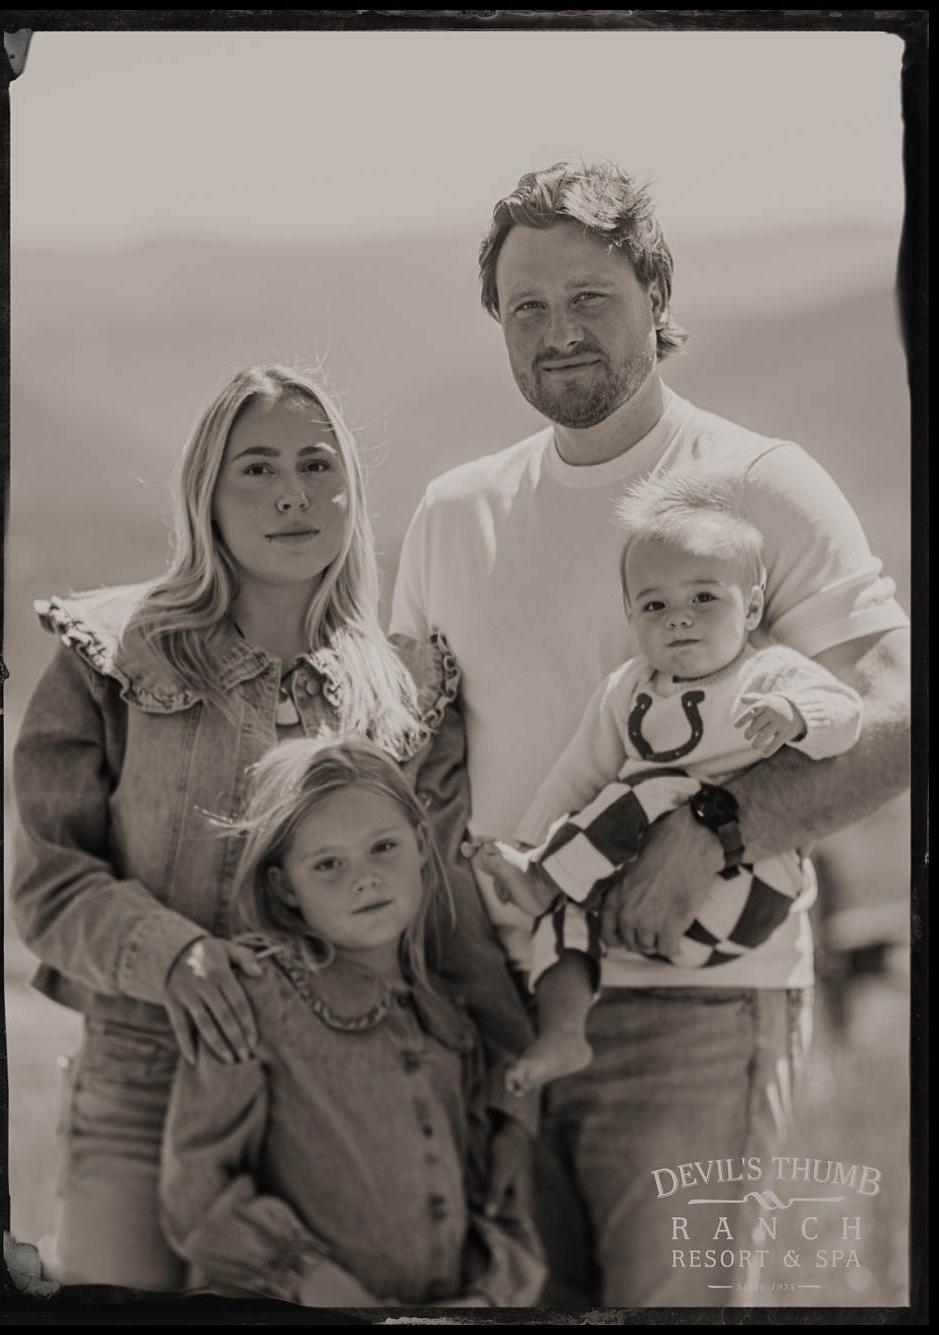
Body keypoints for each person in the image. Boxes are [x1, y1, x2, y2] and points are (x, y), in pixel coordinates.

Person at [390, 159, 910, 1307]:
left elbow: (893, 716)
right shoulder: (453, 510)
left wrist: (708, 834)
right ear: (496, 322)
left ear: (657, 298)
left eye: (590, 299)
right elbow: (414, 764)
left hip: (700, 1005)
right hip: (494, 1007)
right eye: (527, 306)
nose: (557, 331)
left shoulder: (761, 483)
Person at [10, 363, 536, 1293]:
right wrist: (178, 954)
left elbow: (447, 913)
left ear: (351, 489)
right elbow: (51, 887)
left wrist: (504, 1102)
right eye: (255, 468)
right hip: (149, 1071)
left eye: (316, 463)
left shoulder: (409, 693)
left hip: (351, 1105)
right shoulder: (113, 655)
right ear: (204, 495)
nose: (292, 493)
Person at [469, 470, 864, 1096]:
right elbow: (577, 776)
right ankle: (565, 1030)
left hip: (750, 888)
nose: (679, 618)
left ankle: (545, 878)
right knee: (567, 911)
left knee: (656, 790)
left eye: (704, 598)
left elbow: (847, 719)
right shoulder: (630, 691)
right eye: (655, 605)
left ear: (752, 607)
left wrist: (796, 717)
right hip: (649, 908)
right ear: (631, 614)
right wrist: (534, 844)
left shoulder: (768, 675)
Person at [159, 736, 546, 1308]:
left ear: (420, 844)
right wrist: (324, 1289)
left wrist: (488, 1300)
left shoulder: (450, 1020)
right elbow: (198, 1194)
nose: (363, 879)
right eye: (328, 864)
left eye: (383, 847)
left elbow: (496, 1201)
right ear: (285, 886)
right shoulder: (257, 1000)